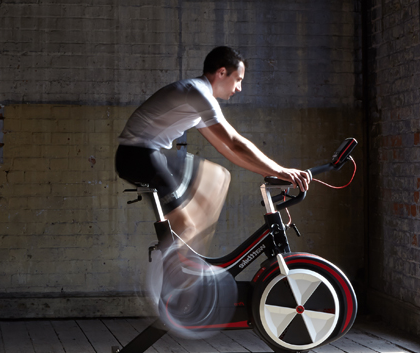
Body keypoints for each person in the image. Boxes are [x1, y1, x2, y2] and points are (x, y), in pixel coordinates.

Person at [115, 46, 312, 253]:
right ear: (221, 73)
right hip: (138, 156)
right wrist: (280, 170)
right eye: (238, 79)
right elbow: (234, 142)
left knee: (219, 177)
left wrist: (267, 172)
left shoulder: (196, 97)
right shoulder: (198, 93)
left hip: (142, 155)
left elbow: (224, 148)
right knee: (187, 226)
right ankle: (177, 268)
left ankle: (185, 258)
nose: (239, 88)